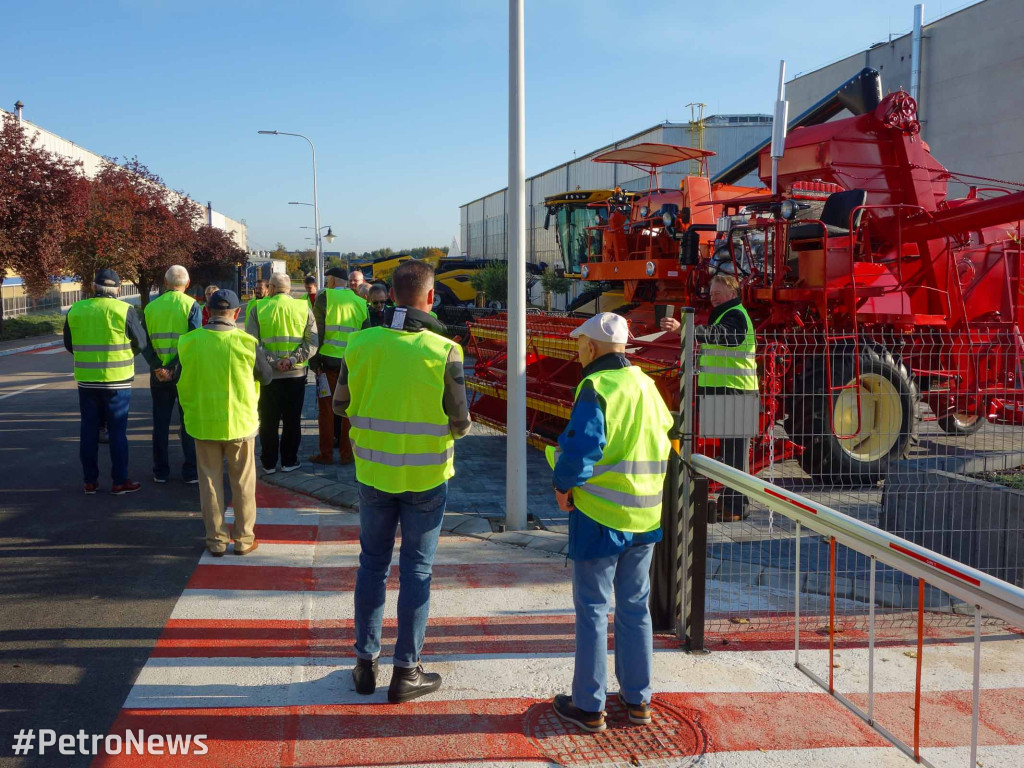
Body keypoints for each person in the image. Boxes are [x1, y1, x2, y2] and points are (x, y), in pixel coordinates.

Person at [333, 260, 471, 703]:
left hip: (373, 473)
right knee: (417, 571)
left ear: (390, 295)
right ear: (430, 297)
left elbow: (340, 406)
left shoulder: (359, 343)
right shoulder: (445, 350)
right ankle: (406, 671)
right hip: (427, 477)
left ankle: (364, 664)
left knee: (371, 566)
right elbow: (461, 421)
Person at [546, 312, 673, 733]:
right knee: (636, 608)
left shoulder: (595, 386)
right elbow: (664, 434)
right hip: (645, 515)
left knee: (594, 610)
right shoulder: (648, 385)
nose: (578, 348)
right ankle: (639, 701)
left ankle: (589, 706)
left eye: (580, 341)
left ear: (593, 347)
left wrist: (562, 485)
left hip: (600, 515)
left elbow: (582, 450)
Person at [178, 289, 274, 556]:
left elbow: (178, 374)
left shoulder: (188, 341)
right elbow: (265, 378)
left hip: (203, 422)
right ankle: (243, 539)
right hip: (240, 423)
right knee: (243, 483)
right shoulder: (246, 342)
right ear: (236, 313)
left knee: (209, 483)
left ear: (206, 311)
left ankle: (216, 541)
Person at [659, 274, 757, 521]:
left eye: (717, 292)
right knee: (730, 454)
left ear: (732, 294)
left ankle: (736, 508)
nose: (712, 296)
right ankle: (731, 503)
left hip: (736, 393)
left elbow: (725, 336)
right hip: (726, 392)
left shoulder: (735, 316)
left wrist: (686, 328)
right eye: (711, 292)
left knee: (735, 455)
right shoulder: (727, 314)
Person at [64, 269, 148, 495]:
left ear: (93, 287)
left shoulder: (76, 310)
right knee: (117, 432)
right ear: (119, 289)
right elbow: (141, 343)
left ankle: (89, 481)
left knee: (89, 430)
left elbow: (69, 344)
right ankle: (120, 481)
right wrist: (124, 353)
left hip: (87, 381)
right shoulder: (124, 310)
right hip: (117, 381)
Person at [246, 273, 318, 474]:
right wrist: (293, 360)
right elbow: (312, 342)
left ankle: (268, 463)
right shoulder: (303, 307)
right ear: (288, 288)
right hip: (295, 374)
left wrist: (273, 361)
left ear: (270, 287)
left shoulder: (259, 308)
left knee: (268, 420)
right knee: (292, 419)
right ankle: (289, 461)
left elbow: (252, 343)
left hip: (269, 375)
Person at [142, 265, 201, 484]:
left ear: (165, 283)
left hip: (157, 375)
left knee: (160, 423)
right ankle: (190, 471)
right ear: (187, 284)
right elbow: (195, 341)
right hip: (183, 374)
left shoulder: (150, 308)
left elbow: (143, 342)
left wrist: (157, 365)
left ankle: (160, 471)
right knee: (188, 423)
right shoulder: (191, 305)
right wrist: (174, 367)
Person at [310, 266, 368, 465]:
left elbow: (317, 331)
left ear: (333, 281)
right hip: (353, 363)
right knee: (349, 410)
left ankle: (326, 454)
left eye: (328, 280)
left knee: (326, 410)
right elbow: (366, 336)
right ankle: (347, 454)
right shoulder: (361, 303)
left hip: (327, 363)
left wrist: (314, 361)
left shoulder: (324, 298)